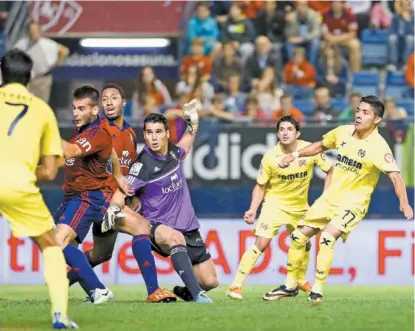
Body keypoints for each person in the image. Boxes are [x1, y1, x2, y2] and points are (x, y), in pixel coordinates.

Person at [265, 95, 414, 305]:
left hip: (354, 204)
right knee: (297, 237)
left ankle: (317, 289)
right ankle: (290, 285)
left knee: (326, 238)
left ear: (377, 119)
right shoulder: (343, 132)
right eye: (359, 110)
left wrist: (404, 202)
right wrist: (295, 156)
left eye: (366, 113)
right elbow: (320, 146)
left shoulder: (379, 147)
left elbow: (395, 176)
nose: (359, 115)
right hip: (330, 198)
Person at [66, 83, 176, 303]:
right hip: (101, 197)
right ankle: (153, 291)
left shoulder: (129, 133)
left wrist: (132, 195)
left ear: (124, 103)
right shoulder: (98, 129)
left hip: (113, 197)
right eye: (104, 99)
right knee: (141, 226)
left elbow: (128, 169)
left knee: (101, 254)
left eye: (113, 98)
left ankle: (63, 280)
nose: (108, 102)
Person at [102, 101, 218, 303]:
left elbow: (186, 143)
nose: (153, 137)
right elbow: (123, 190)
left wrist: (193, 125)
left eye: (158, 132)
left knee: (210, 281)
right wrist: (113, 208)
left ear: (167, 134)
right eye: (149, 133)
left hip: (188, 226)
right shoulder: (142, 165)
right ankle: (198, 296)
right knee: (174, 238)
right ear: (144, 135)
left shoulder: (174, 152)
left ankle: (188, 291)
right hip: (157, 226)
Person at [0, 49, 77, 328]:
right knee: (50, 245)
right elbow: (49, 170)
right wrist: (20, 171)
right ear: (30, 77)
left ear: (1, 74)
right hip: (19, 185)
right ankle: (60, 314)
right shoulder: (42, 109)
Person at [227, 116, 333, 300]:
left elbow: (331, 170)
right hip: (274, 205)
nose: (285, 132)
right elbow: (260, 185)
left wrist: (326, 198)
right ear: (277, 133)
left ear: (297, 133)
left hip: (300, 207)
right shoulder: (270, 157)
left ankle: (299, 280)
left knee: (305, 243)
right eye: (281, 129)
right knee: (261, 243)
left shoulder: (309, 150)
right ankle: (236, 285)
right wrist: (253, 209)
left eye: (289, 129)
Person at [14, 21, 69, 103]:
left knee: (41, 103)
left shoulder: (47, 43)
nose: (34, 33)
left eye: (35, 30)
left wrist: (57, 62)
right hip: (26, 79)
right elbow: (13, 56)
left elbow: (64, 50)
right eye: (32, 30)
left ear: (39, 31)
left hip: (42, 79)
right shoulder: (22, 44)